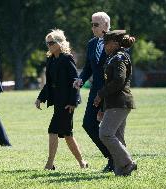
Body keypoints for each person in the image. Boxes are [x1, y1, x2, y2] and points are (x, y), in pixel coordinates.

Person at [35, 29, 88, 170]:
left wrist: (73, 102)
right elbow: (49, 82)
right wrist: (40, 97)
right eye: (47, 43)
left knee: (53, 130)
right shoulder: (51, 59)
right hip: (58, 101)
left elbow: (75, 81)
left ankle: (49, 164)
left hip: (67, 103)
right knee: (67, 134)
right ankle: (82, 163)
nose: (49, 45)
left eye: (51, 42)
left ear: (59, 43)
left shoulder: (67, 58)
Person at [73, 12, 113, 172]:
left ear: (106, 25)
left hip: (111, 91)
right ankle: (111, 156)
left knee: (110, 130)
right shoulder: (91, 43)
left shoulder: (115, 42)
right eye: (92, 24)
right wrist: (80, 78)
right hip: (95, 91)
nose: (93, 27)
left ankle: (118, 160)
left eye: (96, 24)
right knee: (88, 124)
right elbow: (89, 67)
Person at [93, 30, 137, 176]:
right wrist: (103, 107)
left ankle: (128, 162)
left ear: (116, 43)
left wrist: (100, 93)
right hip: (115, 104)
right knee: (117, 137)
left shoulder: (119, 58)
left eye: (107, 42)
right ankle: (122, 171)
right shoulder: (113, 57)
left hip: (120, 102)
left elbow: (119, 80)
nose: (104, 45)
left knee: (105, 134)